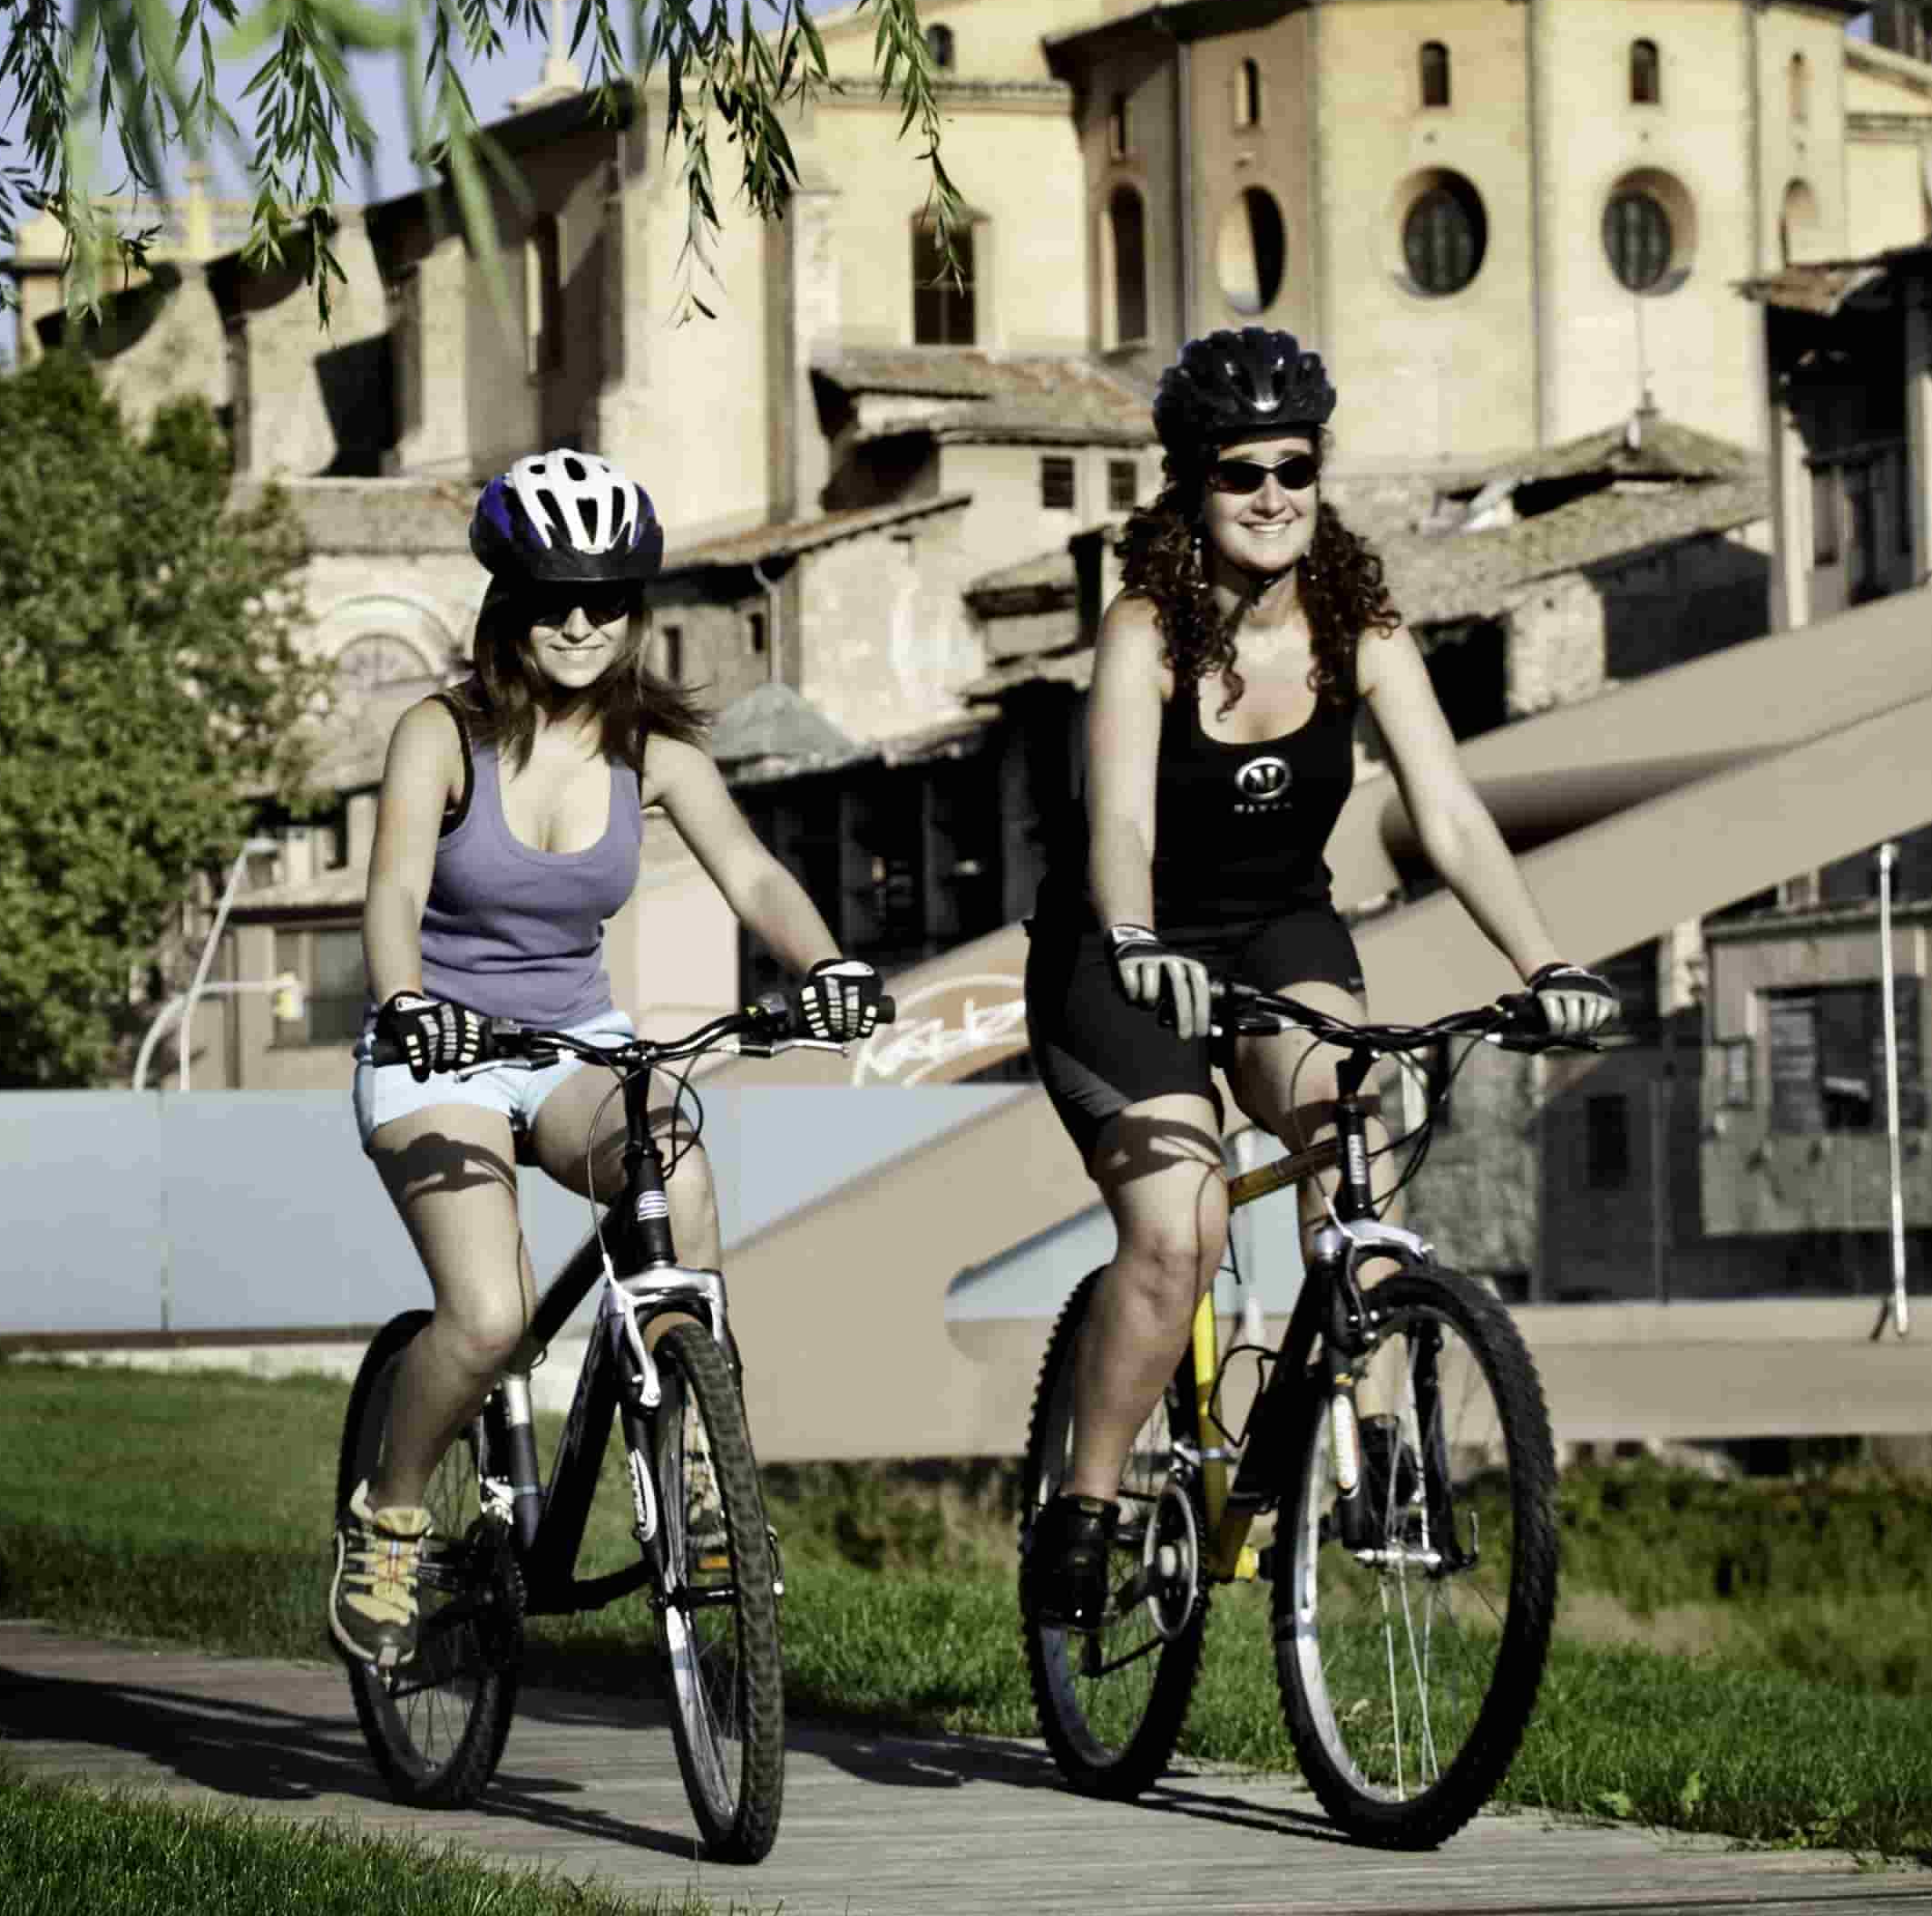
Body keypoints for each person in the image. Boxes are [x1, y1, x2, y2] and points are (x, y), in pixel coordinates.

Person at [1015, 325, 1621, 1630]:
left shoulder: (1363, 628)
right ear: (1193, 484)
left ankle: (1382, 1449)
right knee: (1180, 1231)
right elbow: (1118, 819)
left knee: (1357, 1131)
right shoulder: (1144, 633)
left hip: (1280, 929)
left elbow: (1450, 815)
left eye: (1297, 464)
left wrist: (1547, 961)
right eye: (1243, 472)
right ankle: (1090, 1501)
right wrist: (1133, 940)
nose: (1274, 492)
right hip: (1117, 953)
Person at [332, 445, 887, 1670]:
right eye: (552, 598)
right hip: (442, 1051)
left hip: (576, 1043)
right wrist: (409, 996)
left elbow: (752, 871)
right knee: (487, 1320)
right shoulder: (440, 735)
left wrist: (826, 966)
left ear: (635, 611)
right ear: (509, 604)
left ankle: (700, 1475)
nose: (579, 623)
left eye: (606, 599)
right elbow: (391, 893)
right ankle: (393, 1515)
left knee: (675, 1172)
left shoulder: (656, 748)